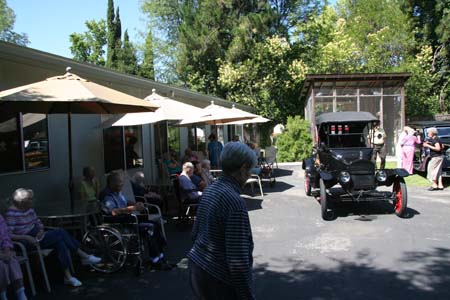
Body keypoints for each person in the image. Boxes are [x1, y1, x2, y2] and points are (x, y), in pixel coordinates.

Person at [188, 141, 257, 300]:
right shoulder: (234, 202)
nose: (250, 175)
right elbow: (237, 261)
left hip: (198, 267)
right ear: (243, 168)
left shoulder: (211, 189)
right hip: (217, 280)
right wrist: (246, 296)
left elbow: (194, 234)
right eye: (250, 170)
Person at [5, 188, 101, 287]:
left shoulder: (29, 210)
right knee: (60, 232)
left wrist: (41, 231)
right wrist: (26, 237)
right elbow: (8, 235)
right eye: (30, 199)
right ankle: (83, 255)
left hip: (37, 237)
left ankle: (68, 277)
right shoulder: (11, 213)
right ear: (21, 202)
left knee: (60, 243)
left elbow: (38, 223)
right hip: (25, 243)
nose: (33, 200)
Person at [99, 172, 173, 270]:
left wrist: (136, 204)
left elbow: (126, 202)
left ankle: (160, 256)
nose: (122, 184)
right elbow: (113, 212)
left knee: (156, 224)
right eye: (120, 183)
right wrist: (132, 208)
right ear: (112, 184)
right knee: (150, 228)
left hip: (128, 219)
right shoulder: (107, 196)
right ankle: (155, 259)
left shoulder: (117, 192)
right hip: (120, 223)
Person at [0, 214, 27, 300]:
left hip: (2, 250)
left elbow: (5, 236)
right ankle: (3, 295)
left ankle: (21, 294)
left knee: (12, 261)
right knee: (1, 265)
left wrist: (7, 250)